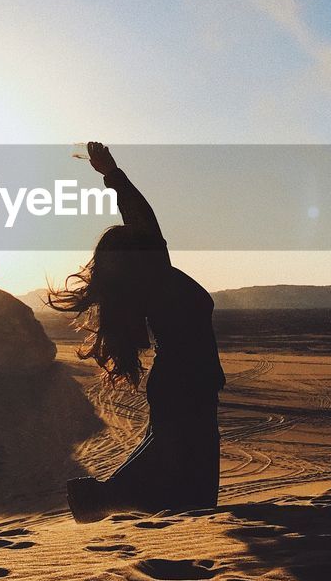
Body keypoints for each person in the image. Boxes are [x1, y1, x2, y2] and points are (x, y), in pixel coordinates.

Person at [48, 142, 226, 522]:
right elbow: (145, 220)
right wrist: (113, 176)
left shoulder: (150, 281)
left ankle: (98, 500)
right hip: (186, 381)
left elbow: (142, 222)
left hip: (184, 380)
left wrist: (112, 175)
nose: (145, 238)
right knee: (181, 464)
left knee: (174, 459)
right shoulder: (157, 278)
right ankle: (97, 500)